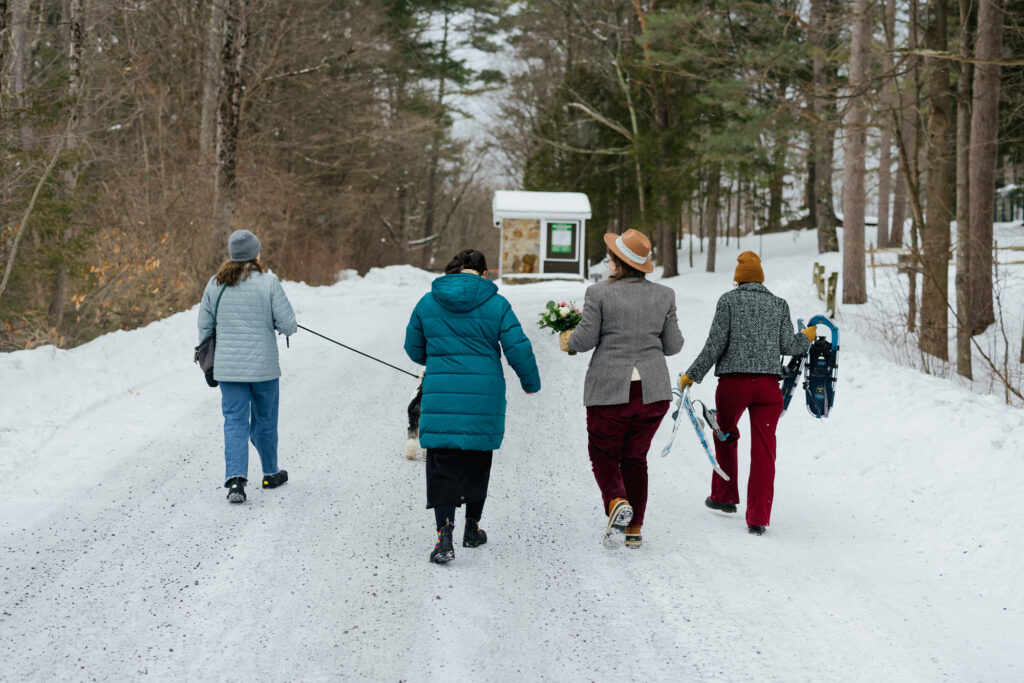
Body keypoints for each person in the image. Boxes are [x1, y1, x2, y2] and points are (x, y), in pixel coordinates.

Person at [404, 249, 541, 564]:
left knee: (441, 464)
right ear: (483, 273)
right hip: (484, 394)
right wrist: (530, 383)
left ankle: (444, 535)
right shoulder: (497, 304)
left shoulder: (428, 302)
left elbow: (413, 347)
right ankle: (472, 529)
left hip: (442, 392)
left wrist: (440, 355)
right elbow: (517, 347)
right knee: (478, 461)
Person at [560, 229, 684, 549]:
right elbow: (673, 346)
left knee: (603, 452)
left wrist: (567, 340)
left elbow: (583, 340)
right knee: (635, 457)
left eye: (609, 258)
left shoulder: (598, 293)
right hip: (654, 392)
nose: (607, 263)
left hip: (610, 392)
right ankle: (634, 529)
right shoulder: (665, 295)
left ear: (617, 263)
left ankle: (617, 502)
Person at [679, 251, 816, 535]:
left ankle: (725, 497)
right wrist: (807, 337)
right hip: (767, 389)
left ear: (738, 280)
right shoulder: (779, 304)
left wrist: (692, 374)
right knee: (765, 452)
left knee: (725, 433)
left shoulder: (728, 301)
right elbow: (789, 346)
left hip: (734, 386)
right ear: (761, 278)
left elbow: (715, 344)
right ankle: (758, 518)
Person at [197, 229, 297, 504]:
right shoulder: (268, 283)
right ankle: (270, 473)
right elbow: (288, 325)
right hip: (264, 368)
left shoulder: (215, 284)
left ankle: (235, 482)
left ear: (231, 254)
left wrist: (207, 362)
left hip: (228, 369)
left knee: (234, 421)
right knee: (265, 420)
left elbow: (204, 326)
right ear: (256, 254)